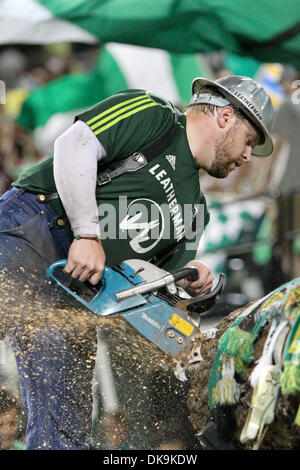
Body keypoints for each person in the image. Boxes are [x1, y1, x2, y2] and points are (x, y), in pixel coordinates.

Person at [0, 75, 274, 449]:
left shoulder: (197, 213)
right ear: (226, 117)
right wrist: (87, 234)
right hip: (35, 226)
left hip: (81, 294)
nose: (247, 156)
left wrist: (191, 289)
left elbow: (151, 298)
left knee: (63, 429)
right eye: (249, 141)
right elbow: (74, 144)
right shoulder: (155, 115)